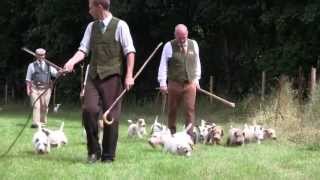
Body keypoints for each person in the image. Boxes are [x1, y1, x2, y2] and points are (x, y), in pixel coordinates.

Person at [63, 0, 135, 164]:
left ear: (99, 7)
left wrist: (129, 75)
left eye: (90, 8)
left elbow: (129, 51)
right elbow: (83, 49)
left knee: (111, 116)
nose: (89, 11)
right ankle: (94, 151)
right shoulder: (91, 27)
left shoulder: (121, 25)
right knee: (89, 110)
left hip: (113, 76)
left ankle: (108, 156)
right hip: (93, 76)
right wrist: (71, 62)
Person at [157, 24, 201, 141]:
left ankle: (190, 138)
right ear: (175, 35)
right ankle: (171, 135)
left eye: (184, 37)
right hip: (174, 84)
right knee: (172, 110)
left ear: (187, 34)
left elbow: (197, 63)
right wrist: (162, 82)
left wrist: (197, 79)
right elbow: (163, 65)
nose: (182, 40)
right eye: (180, 37)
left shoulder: (194, 44)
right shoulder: (168, 46)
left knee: (190, 110)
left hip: (190, 84)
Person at [26, 48, 59, 128]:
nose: (41, 56)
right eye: (39, 55)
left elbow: (56, 74)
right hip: (34, 88)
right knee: (36, 106)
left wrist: (61, 72)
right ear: (36, 55)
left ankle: (42, 123)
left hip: (46, 89)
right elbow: (28, 79)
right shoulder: (31, 65)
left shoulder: (49, 65)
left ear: (44, 55)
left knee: (44, 106)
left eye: (42, 55)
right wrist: (28, 89)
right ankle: (35, 123)